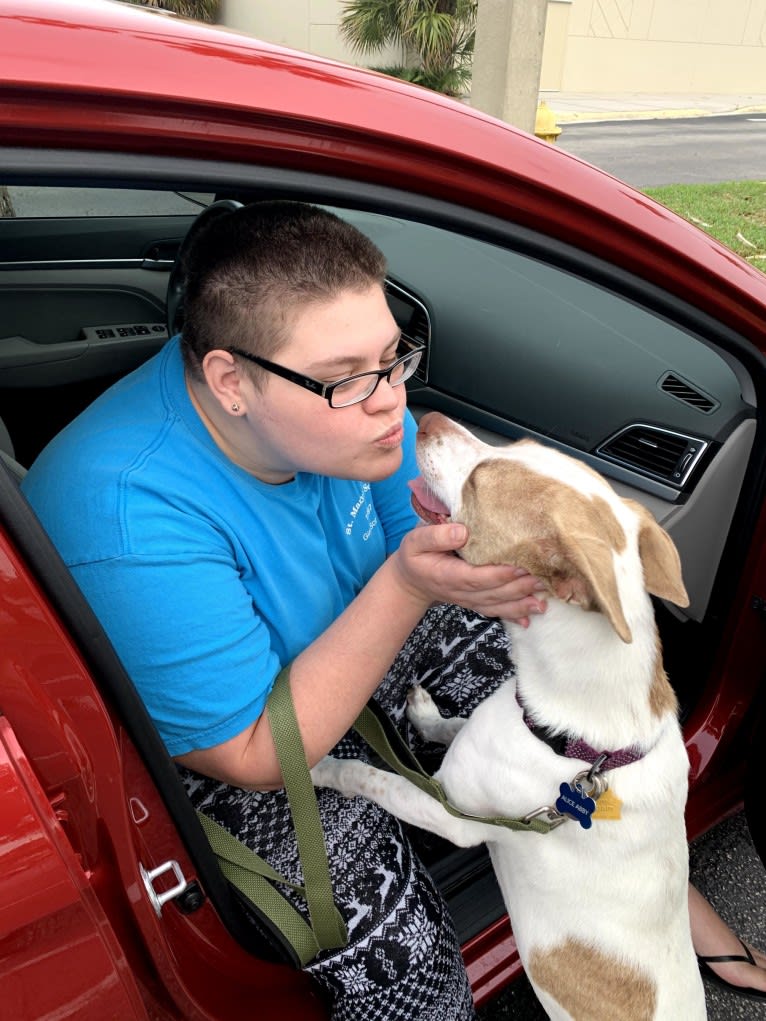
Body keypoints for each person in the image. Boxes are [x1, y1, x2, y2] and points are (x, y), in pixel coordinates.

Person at [20, 201, 765, 1017]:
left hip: (361, 628)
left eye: (393, 355)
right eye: (349, 376)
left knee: (579, 720)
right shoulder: (126, 510)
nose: (392, 400)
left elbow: (419, 534)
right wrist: (411, 586)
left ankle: (647, 888)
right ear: (232, 380)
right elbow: (254, 753)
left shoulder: (347, 412)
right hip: (243, 741)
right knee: (402, 953)